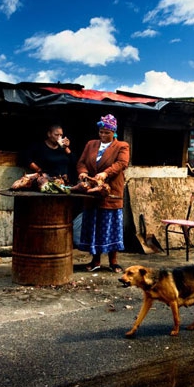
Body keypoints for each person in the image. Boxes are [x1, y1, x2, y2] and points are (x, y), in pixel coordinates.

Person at [76, 114, 130, 273]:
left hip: (111, 191)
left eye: (107, 132)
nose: (103, 135)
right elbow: (81, 162)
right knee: (95, 226)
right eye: (101, 132)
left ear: (114, 132)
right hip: (91, 193)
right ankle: (96, 260)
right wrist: (83, 173)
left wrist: (105, 174)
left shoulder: (122, 146)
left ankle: (113, 261)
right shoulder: (91, 145)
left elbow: (121, 164)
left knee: (110, 226)